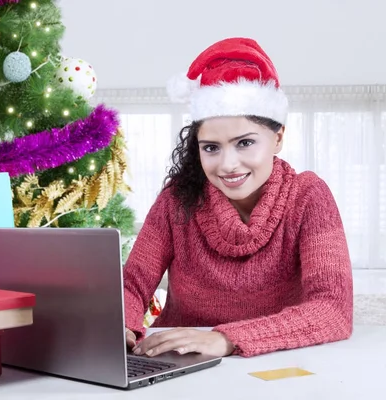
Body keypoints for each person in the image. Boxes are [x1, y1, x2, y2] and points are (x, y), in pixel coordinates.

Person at [123, 37, 353, 358]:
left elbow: (332, 309)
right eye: (211, 148)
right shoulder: (178, 200)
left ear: (278, 138)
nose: (227, 164)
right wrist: (121, 325)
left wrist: (226, 339)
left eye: (244, 143)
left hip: (275, 362)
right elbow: (132, 284)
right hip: (177, 362)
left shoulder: (308, 196)